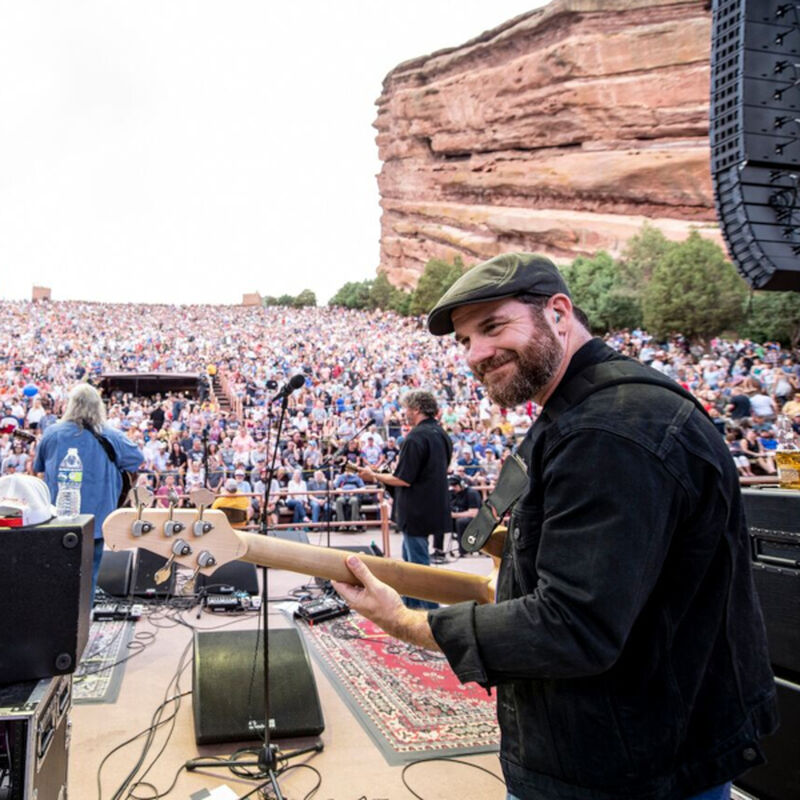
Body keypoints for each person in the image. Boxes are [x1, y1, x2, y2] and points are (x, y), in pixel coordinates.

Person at [333, 253, 777, 800]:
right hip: (633, 746)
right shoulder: (591, 411)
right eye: (465, 340)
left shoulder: (608, 431)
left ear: (559, 313)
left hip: (631, 769)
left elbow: (573, 626)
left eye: (493, 326)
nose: (476, 353)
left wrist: (402, 621)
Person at [34, 383, 143, 603]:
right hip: (98, 518)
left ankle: (58, 619)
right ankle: (85, 620)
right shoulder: (112, 435)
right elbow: (136, 460)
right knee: (89, 576)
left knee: (58, 573)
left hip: (59, 517)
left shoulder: (52, 433)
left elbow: (38, 468)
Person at [356, 390, 452, 610]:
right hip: (433, 506)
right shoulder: (441, 434)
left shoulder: (416, 437)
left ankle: (430, 618)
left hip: (416, 510)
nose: (404, 413)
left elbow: (403, 478)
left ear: (416, 409)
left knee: (418, 569)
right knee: (409, 567)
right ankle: (409, 611)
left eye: (407, 409)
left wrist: (373, 475)